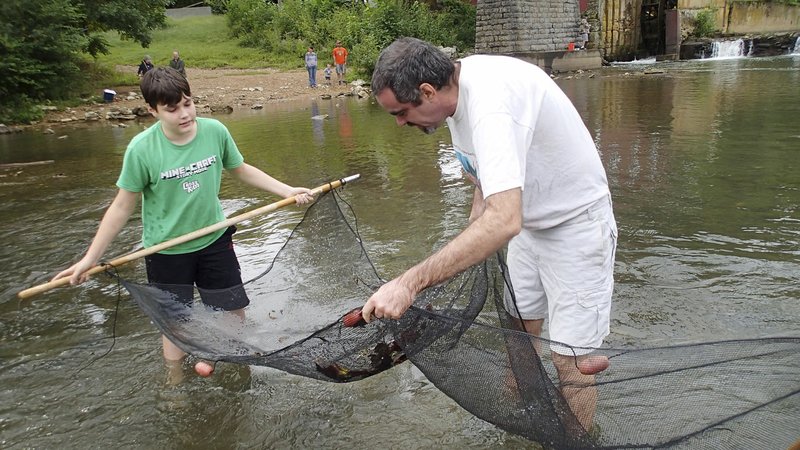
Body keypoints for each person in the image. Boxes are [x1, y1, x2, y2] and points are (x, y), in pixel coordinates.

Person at [363, 37, 617, 432]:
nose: (399, 123)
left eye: (401, 112)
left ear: (427, 91)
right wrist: (466, 244)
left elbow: (502, 221)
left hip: (575, 228)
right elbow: (486, 182)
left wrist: (409, 283)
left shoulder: (490, 106)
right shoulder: (454, 95)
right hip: (528, 226)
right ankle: (522, 423)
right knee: (518, 333)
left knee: (571, 360)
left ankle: (576, 440)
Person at [52, 67, 314, 380]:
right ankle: (174, 385)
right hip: (166, 250)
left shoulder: (215, 131)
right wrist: (90, 259)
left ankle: (234, 367)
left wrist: (287, 190)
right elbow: (121, 207)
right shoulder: (142, 150)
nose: (184, 114)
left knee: (233, 309)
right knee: (175, 321)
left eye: (188, 104)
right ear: (153, 110)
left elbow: (240, 168)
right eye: (172, 109)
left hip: (214, 240)